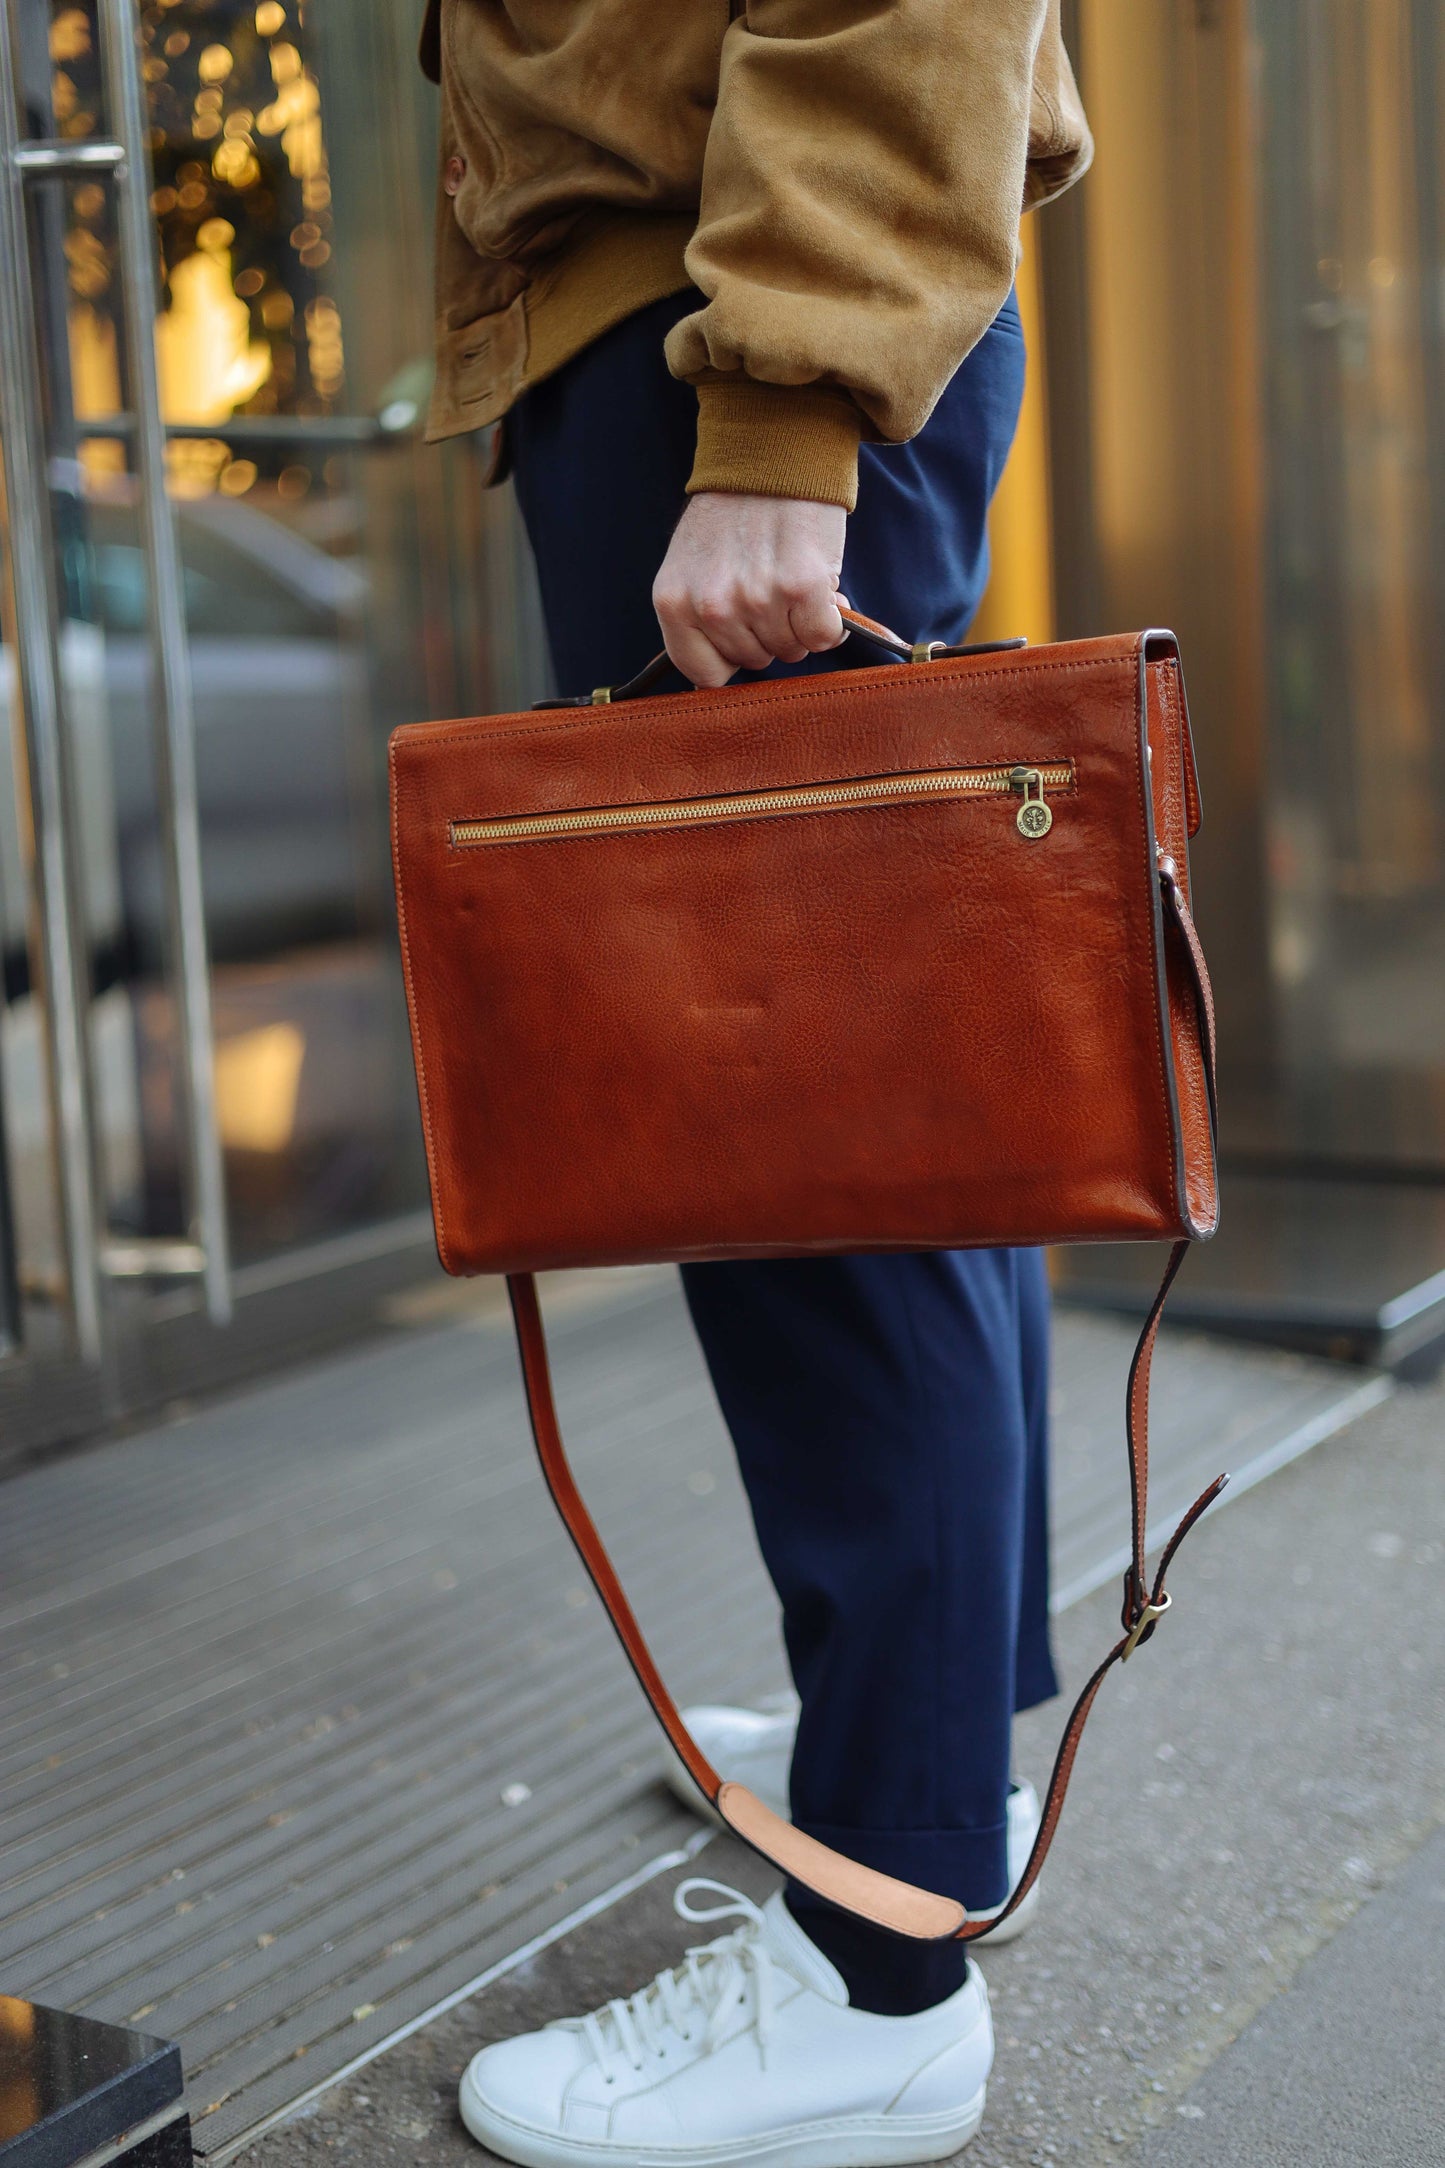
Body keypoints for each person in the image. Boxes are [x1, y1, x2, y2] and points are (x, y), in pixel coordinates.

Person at [418, 5, 1091, 2160]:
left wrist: (786, 398)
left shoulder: (763, 354)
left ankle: (878, 1977)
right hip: (725, 276)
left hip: (736, 304)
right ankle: (933, 1765)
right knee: (900, 1107)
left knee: (806, 1141)